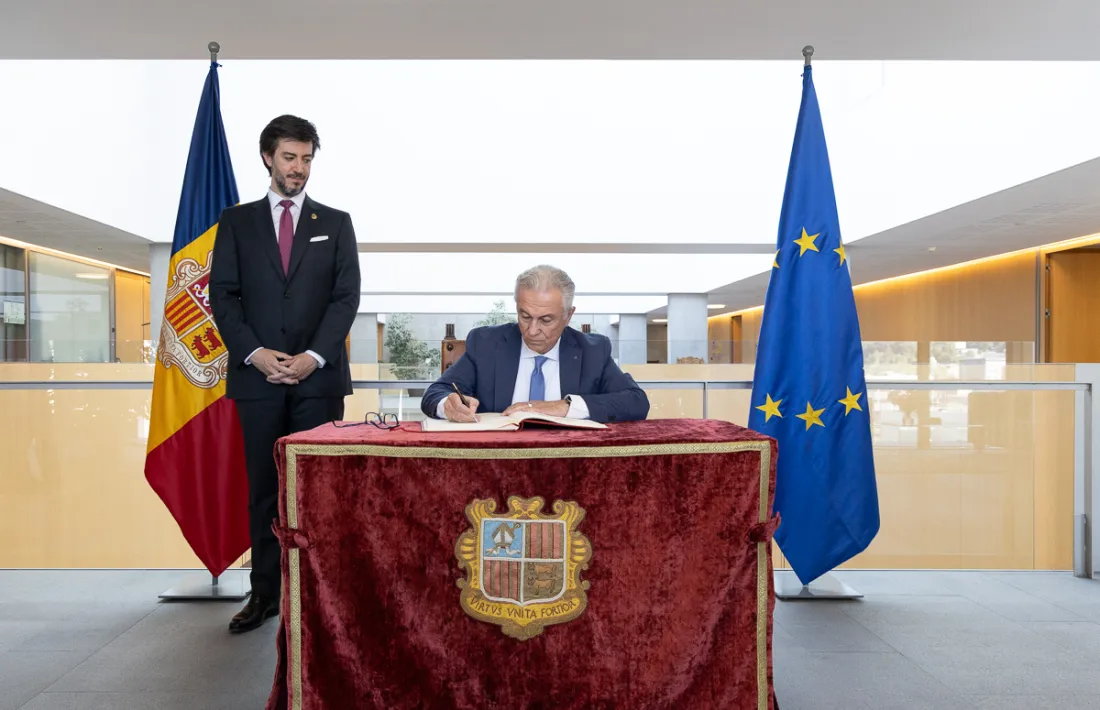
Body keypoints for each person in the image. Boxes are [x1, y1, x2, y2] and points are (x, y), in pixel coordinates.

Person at [210, 115, 360, 633]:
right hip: (258, 381)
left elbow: (345, 299)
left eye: (307, 159)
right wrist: (255, 353)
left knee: (320, 493)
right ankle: (265, 595)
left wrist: (312, 356)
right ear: (268, 158)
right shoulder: (236, 222)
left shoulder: (336, 222)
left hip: (318, 382)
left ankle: (320, 598)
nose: (299, 168)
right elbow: (222, 297)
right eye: (290, 157)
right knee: (265, 491)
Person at [421, 265, 649, 424]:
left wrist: (564, 407)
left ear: (568, 316)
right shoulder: (486, 344)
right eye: (525, 316)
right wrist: (448, 405)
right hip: (497, 463)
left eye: (546, 320)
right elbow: (435, 393)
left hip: (570, 464)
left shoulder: (593, 351)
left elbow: (636, 401)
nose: (531, 330)